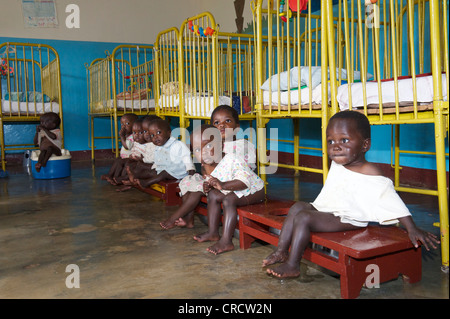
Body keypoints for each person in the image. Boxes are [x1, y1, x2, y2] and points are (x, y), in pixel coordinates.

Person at [263, 110, 440, 278]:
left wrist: (412, 228)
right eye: (330, 141)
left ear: (365, 145)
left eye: (344, 140)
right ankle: (281, 252)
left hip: (349, 218)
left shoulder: (369, 170)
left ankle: (293, 265)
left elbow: (391, 200)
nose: (336, 147)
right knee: (298, 206)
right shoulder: (339, 163)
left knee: (303, 217)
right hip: (330, 209)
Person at [160, 105, 256, 230]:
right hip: (214, 179)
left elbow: (245, 170)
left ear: (237, 127)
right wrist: (206, 175)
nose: (221, 125)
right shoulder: (211, 145)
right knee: (189, 181)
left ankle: (175, 217)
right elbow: (205, 168)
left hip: (232, 183)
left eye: (227, 121)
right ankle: (189, 220)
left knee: (196, 190)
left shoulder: (243, 145)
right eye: (217, 123)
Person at [191, 124, 265, 255]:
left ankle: (226, 241)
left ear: (221, 144)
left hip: (254, 190)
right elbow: (214, 183)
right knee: (212, 195)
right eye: (197, 149)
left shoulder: (232, 159)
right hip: (234, 189)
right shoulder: (207, 166)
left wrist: (222, 185)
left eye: (208, 145)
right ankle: (213, 233)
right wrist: (208, 186)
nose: (203, 152)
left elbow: (244, 182)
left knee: (228, 200)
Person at [127, 118, 195, 188]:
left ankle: (146, 183)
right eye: (152, 135)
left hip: (179, 172)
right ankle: (134, 177)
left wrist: (191, 172)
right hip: (164, 169)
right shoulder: (158, 147)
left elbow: (187, 158)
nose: (155, 137)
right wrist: (154, 168)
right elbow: (158, 161)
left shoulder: (177, 145)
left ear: (169, 133)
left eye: (159, 132)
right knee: (151, 172)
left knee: (163, 174)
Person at [101, 113, 138, 184]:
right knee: (117, 160)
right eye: (122, 124)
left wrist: (122, 136)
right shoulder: (127, 135)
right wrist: (124, 136)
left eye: (127, 123)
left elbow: (127, 146)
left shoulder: (134, 136)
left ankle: (117, 178)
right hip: (124, 157)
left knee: (121, 163)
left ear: (135, 125)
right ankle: (110, 175)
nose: (124, 127)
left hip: (131, 158)